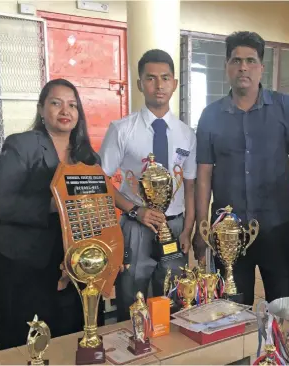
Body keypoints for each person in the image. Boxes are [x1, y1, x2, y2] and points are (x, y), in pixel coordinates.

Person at [193, 31, 289, 306]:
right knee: (231, 309)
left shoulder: (286, 107)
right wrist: (202, 229)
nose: (243, 67)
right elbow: (204, 173)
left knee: (283, 306)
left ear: (262, 67)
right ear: (226, 66)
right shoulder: (210, 116)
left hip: (278, 227)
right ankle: (243, 351)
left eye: (251, 61)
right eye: (236, 60)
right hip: (228, 234)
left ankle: (281, 351)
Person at [0, 79, 102, 350]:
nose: (66, 110)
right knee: (27, 337)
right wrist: (51, 206)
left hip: (72, 263)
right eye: (56, 103)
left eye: (72, 105)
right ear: (41, 110)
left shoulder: (88, 157)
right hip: (25, 261)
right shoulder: (22, 145)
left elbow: (97, 206)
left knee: (69, 334)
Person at [99, 49, 196, 321]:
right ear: (140, 84)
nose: (159, 85)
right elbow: (101, 179)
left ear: (175, 83)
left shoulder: (186, 134)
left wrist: (188, 228)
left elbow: (189, 185)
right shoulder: (121, 129)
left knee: (175, 299)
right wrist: (134, 210)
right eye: (151, 78)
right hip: (136, 226)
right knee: (133, 297)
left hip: (175, 227)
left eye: (165, 78)